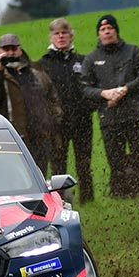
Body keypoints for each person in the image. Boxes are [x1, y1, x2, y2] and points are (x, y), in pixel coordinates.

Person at [79, 14, 139, 197]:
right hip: (110, 118)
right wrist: (103, 93)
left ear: (116, 31)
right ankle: (120, 196)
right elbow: (84, 88)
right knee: (115, 162)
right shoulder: (91, 59)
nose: (107, 32)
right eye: (102, 29)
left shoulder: (133, 51)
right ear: (98, 34)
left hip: (135, 115)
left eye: (110, 28)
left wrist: (126, 89)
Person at [0, 33, 62, 174]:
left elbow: (52, 96)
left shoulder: (35, 70)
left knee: (39, 176)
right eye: (6, 49)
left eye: (14, 48)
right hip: (13, 139)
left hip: (40, 137)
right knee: (17, 177)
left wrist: (54, 120)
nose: (11, 52)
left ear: (20, 49)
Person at [40, 18, 94, 202]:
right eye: (57, 33)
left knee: (84, 163)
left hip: (82, 121)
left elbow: (91, 86)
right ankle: (59, 201)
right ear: (51, 37)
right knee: (58, 165)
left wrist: (89, 107)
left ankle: (88, 199)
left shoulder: (82, 61)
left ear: (71, 36)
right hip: (57, 124)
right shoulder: (44, 64)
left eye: (64, 33)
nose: (61, 36)